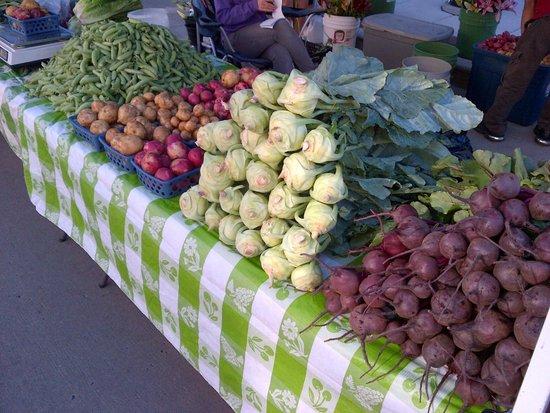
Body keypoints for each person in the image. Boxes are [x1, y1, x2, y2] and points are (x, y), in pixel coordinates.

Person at [475, 0, 550, 146]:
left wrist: (525, 39)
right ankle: (546, 130)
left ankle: (493, 125)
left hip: (545, 23)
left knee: (518, 75)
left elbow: (530, 5)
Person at [214, 0, 316, 74]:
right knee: (279, 26)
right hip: (235, 39)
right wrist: (254, 5)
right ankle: (312, 74)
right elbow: (223, 17)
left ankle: (290, 96)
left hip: (260, 35)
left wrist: (269, 4)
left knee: (280, 52)